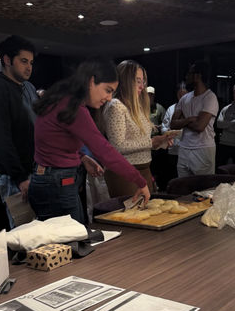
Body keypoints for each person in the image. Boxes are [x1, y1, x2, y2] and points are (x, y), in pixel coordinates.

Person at [28, 57, 150, 224]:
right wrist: (140, 181)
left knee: (70, 237)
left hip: (47, 178)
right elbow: (105, 150)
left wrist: (82, 157)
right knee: (73, 239)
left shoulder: (64, 99)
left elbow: (53, 140)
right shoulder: (75, 108)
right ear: (92, 82)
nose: (109, 98)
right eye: (107, 90)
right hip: (56, 182)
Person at [0, 35, 37, 228]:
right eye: (23, 61)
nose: (29, 67)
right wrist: (20, 177)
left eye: (31, 62)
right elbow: (1, 138)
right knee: (24, 234)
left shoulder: (29, 88)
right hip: (13, 176)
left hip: (34, 171)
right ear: (7, 60)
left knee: (41, 233)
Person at [102, 59, 173, 197]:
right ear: (126, 81)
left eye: (143, 81)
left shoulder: (138, 106)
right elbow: (118, 146)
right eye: (137, 81)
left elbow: (140, 141)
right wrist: (151, 142)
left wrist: (160, 143)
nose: (142, 86)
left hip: (144, 168)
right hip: (124, 172)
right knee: (132, 216)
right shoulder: (116, 106)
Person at [170, 61, 219, 176]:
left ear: (198, 76)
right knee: (183, 186)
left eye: (189, 73)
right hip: (184, 148)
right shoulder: (185, 98)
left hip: (203, 149)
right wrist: (189, 119)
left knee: (202, 188)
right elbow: (172, 124)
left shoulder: (209, 97)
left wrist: (182, 121)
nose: (186, 76)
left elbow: (199, 126)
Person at [160, 82, 188, 184]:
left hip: (187, 149)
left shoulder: (192, 108)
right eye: (179, 95)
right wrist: (169, 132)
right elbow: (164, 127)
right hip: (173, 148)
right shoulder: (171, 108)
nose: (181, 97)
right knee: (173, 175)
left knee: (185, 177)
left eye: (184, 95)